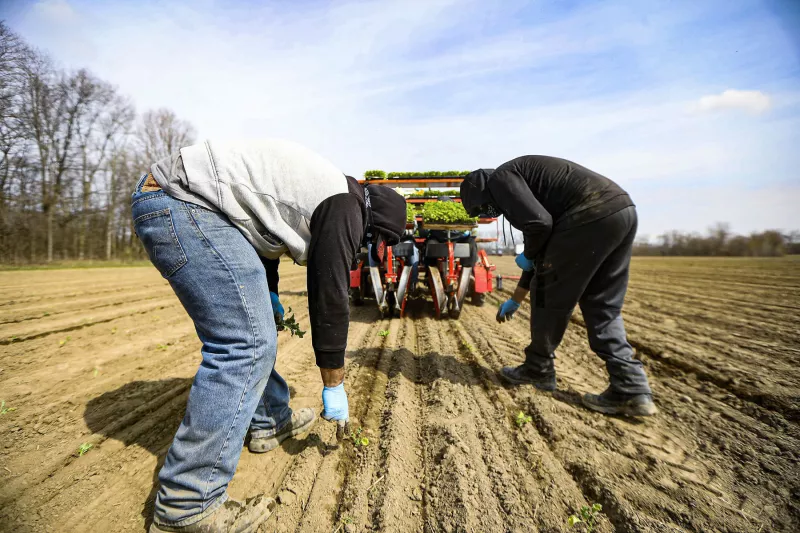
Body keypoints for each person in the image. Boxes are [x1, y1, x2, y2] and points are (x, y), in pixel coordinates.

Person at [132, 139, 406, 532]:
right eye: (371, 242)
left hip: (187, 201)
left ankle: (270, 419)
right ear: (372, 221)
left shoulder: (330, 192)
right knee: (245, 343)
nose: (364, 250)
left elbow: (262, 236)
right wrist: (334, 383)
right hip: (182, 201)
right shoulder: (346, 207)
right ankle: (186, 504)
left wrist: (270, 292)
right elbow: (329, 295)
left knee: (254, 331)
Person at [460, 156, 656, 417]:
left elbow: (539, 227)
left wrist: (530, 255)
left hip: (589, 213)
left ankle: (538, 369)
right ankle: (631, 387)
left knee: (548, 297)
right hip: (622, 211)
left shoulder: (500, 178)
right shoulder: (532, 187)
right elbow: (539, 252)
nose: (488, 213)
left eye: (483, 208)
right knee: (601, 304)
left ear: (480, 192)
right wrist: (517, 297)